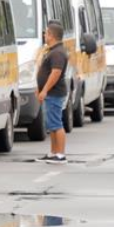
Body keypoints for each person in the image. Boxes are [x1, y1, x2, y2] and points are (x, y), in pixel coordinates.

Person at [36, 21, 69, 164]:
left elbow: (55, 73)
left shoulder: (58, 53)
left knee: (56, 124)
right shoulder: (52, 50)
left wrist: (44, 90)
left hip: (54, 93)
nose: (44, 35)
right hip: (51, 93)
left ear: (51, 35)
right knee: (51, 125)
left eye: (46, 33)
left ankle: (60, 154)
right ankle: (53, 152)